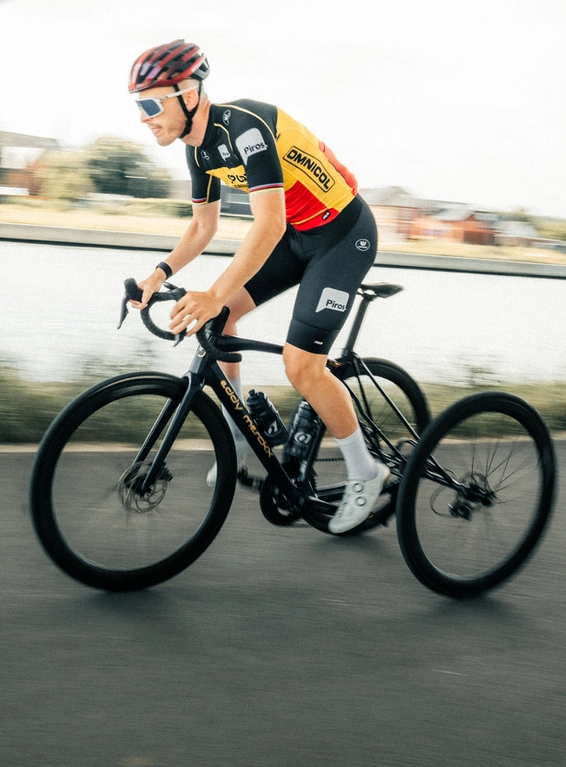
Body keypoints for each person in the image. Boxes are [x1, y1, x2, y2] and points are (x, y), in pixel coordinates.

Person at [129, 39, 385, 534]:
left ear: (187, 93)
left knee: (301, 366)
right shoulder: (196, 149)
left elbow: (267, 225)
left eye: (150, 103)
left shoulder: (245, 129)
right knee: (220, 321)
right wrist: (159, 274)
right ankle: (239, 438)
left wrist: (212, 293)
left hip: (342, 235)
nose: (143, 117)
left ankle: (365, 471)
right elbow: (203, 228)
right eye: (137, 105)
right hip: (297, 237)